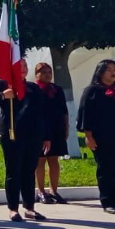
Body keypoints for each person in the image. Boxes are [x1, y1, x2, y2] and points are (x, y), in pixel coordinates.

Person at [0, 59, 50, 222]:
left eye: (25, 66)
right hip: (11, 134)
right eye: (19, 66)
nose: (23, 69)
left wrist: (46, 136)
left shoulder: (34, 88)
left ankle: (29, 207)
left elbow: (42, 114)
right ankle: (13, 208)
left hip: (33, 136)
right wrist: (3, 95)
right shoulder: (3, 84)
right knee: (14, 171)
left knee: (28, 171)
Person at [76, 59, 115, 214]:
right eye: (109, 70)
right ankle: (107, 202)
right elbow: (86, 115)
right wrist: (88, 136)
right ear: (101, 72)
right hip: (103, 138)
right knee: (107, 169)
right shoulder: (91, 91)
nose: (113, 73)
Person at [32, 61, 69, 205]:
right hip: (40, 129)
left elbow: (64, 110)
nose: (47, 75)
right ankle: (41, 191)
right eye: (44, 72)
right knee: (40, 160)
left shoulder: (57, 89)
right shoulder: (33, 89)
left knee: (54, 160)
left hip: (56, 128)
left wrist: (66, 127)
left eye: (49, 72)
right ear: (37, 74)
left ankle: (54, 191)